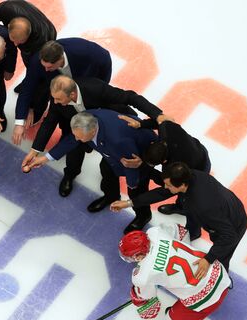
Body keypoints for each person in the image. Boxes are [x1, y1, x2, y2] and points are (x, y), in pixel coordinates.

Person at [23, 75, 164, 198]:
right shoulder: (61, 102)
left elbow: (130, 97)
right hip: (86, 129)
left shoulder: (95, 89)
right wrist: (40, 154)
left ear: (72, 95)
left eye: (58, 99)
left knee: (122, 168)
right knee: (103, 166)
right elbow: (53, 125)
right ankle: (105, 193)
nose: (55, 102)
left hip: (115, 129)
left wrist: (158, 115)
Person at [27, 110, 157, 233]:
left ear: (93, 131)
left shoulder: (118, 141)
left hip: (139, 156)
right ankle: (111, 197)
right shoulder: (86, 120)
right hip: (112, 152)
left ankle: (143, 215)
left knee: (136, 190)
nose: (77, 139)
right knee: (106, 171)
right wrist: (45, 158)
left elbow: (131, 163)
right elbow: (72, 139)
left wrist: (132, 183)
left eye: (80, 137)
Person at [119, 224, 231, 320]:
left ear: (139, 255)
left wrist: (140, 293)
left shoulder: (142, 275)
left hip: (208, 297)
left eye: (132, 257)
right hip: (218, 271)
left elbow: (147, 296)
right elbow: (182, 231)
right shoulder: (155, 232)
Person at [12, 39, 112, 145]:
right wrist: (19, 123)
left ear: (60, 59)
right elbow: (27, 89)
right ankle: (67, 135)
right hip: (61, 84)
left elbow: (104, 59)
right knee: (62, 110)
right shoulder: (37, 62)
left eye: (49, 67)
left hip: (88, 75)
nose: (45, 69)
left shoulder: (87, 53)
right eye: (44, 65)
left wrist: (98, 91)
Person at [158, 162, 247, 277]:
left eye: (169, 185)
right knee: (192, 213)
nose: (165, 187)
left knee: (220, 256)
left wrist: (208, 259)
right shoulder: (193, 175)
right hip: (228, 205)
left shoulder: (203, 207)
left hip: (234, 223)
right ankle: (193, 233)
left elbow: (229, 236)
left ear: (182, 185)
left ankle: (221, 279)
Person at [110, 115, 211, 214]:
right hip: (196, 148)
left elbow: (164, 190)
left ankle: (181, 207)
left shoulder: (177, 168)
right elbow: (161, 119)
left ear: (164, 162)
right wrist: (141, 124)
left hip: (199, 165)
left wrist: (130, 203)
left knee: (185, 191)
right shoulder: (166, 128)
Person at [0, 0, 56, 68]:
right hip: (37, 29)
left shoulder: (41, 39)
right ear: (9, 26)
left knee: (36, 63)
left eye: (20, 41)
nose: (15, 44)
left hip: (46, 37)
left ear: (28, 35)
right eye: (13, 40)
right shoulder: (5, 9)